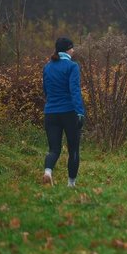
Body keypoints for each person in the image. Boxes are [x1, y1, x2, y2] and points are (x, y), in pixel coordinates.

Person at [42, 37, 85, 187]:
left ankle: (48, 172)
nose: (73, 50)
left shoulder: (47, 67)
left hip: (50, 113)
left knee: (54, 149)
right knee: (73, 149)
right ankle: (71, 184)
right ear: (67, 49)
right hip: (69, 112)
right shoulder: (72, 66)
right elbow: (75, 91)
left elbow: (46, 91)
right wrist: (80, 112)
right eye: (72, 48)